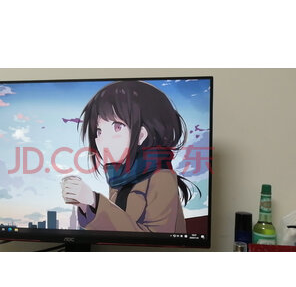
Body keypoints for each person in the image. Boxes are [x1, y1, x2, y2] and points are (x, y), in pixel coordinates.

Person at [61, 80, 198, 233]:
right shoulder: (119, 177)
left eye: (117, 127)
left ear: (141, 135)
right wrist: (87, 206)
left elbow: (158, 238)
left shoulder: (162, 177)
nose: (102, 140)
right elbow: (118, 228)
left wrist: (95, 201)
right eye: (99, 131)